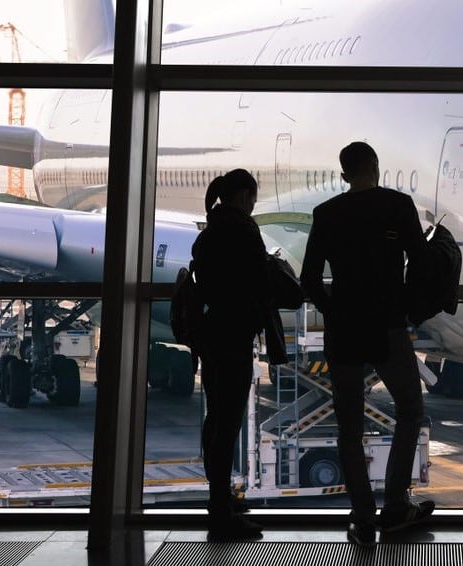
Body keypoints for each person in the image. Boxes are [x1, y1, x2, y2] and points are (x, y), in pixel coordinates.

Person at [300, 142, 435, 547]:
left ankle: (362, 516)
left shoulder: (327, 214)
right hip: (389, 328)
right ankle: (395, 505)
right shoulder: (398, 206)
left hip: (345, 332)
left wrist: (334, 311)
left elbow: (309, 279)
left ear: (344, 175)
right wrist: (408, 309)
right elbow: (423, 262)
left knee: (349, 430)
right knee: (410, 410)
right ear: (376, 168)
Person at [191, 168, 271, 540]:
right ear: (243, 197)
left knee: (217, 422)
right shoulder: (243, 231)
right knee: (228, 424)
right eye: (252, 198)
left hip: (212, 337)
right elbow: (259, 279)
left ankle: (218, 500)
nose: (254, 205)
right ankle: (222, 513)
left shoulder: (208, 234)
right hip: (234, 338)